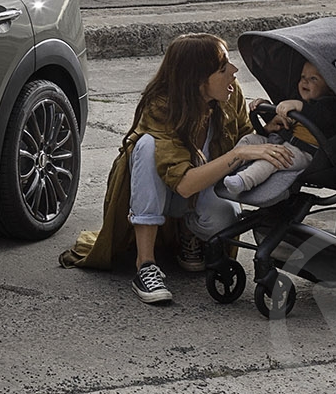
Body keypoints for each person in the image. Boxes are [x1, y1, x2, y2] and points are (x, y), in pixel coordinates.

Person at [58, 33, 296, 304]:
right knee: (146, 145)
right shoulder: (161, 104)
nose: (234, 71)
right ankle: (145, 265)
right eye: (223, 68)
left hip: (200, 191)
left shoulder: (230, 93)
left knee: (225, 220)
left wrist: (264, 131)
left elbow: (242, 134)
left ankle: (189, 234)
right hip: (166, 191)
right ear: (196, 79)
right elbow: (184, 183)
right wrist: (239, 153)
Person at [217, 60, 336, 203]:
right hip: (282, 141)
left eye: (313, 79)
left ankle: (243, 181)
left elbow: (322, 117)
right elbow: (280, 121)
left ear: (330, 87)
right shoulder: (301, 102)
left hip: (306, 153)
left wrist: (299, 106)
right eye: (303, 77)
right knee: (249, 141)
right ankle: (228, 168)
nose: (305, 82)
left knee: (273, 159)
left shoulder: (334, 107)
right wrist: (264, 107)